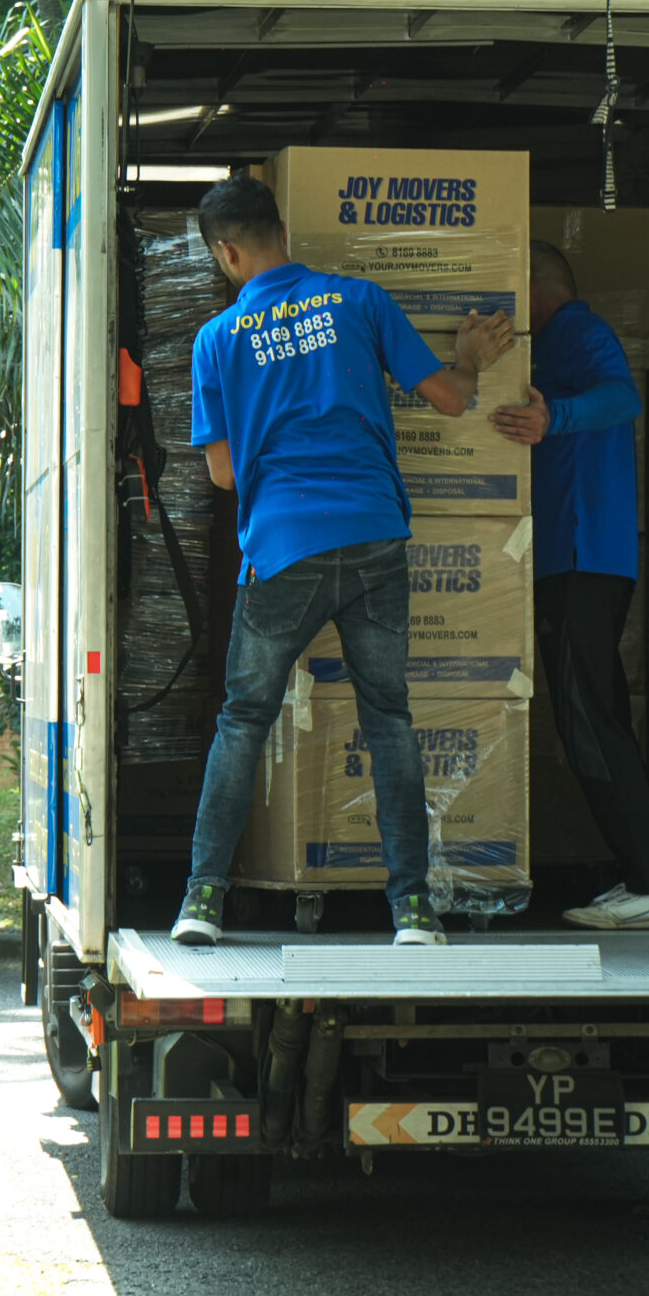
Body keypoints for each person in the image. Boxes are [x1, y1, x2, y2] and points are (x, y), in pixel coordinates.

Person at [172, 175, 514, 948]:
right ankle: (413, 911)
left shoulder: (216, 340)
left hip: (283, 548)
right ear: (281, 228)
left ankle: (200, 900)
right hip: (372, 538)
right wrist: (468, 359)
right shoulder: (360, 301)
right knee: (387, 717)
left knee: (243, 719)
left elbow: (223, 475)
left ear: (227, 251)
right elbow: (453, 401)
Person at [491, 238, 649, 928]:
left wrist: (555, 417)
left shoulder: (577, 327)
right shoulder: (553, 343)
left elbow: (620, 395)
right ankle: (645, 874)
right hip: (575, 557)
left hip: (583, 555)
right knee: (589, 720)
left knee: (592, 722)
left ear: (535, 288)